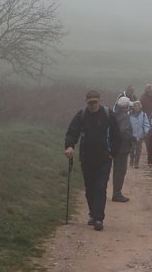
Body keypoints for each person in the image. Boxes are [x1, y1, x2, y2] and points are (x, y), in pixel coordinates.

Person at [65, 90, 121, 231]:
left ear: (99, 101)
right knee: (90, 188)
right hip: (87, 158)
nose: (93, 105)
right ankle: (93, 214)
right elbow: (72, 132)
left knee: (101, 187)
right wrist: (70, 146)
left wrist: (113, 153)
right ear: (86, 102)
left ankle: (98, 218)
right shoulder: (82, 115)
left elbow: (117, 135)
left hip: (104, 159)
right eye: (90, 103)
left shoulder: (108, 114)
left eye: (95, 102)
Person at [112, 96, 135, 202]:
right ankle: (117, 193)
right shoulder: (125, 117)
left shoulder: (114, 114)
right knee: (121, 171)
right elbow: (123, 130)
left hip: (115, 146)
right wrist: (132, 137)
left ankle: (115, 192)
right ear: (126, 107)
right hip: (122, 147)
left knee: (116, 170)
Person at [128, 100, 151, 169]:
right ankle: (131, 159)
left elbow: (146, 124)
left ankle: (136, 163)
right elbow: (127, 124)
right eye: (135, 106)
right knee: (132, 149)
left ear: (140, 107)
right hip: (132, 136)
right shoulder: (129, 114)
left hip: (140, 136)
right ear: (133, 107)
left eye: (138, 106)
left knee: (138, 150)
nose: (137, 107)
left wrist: (146, 131)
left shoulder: (143, 115)